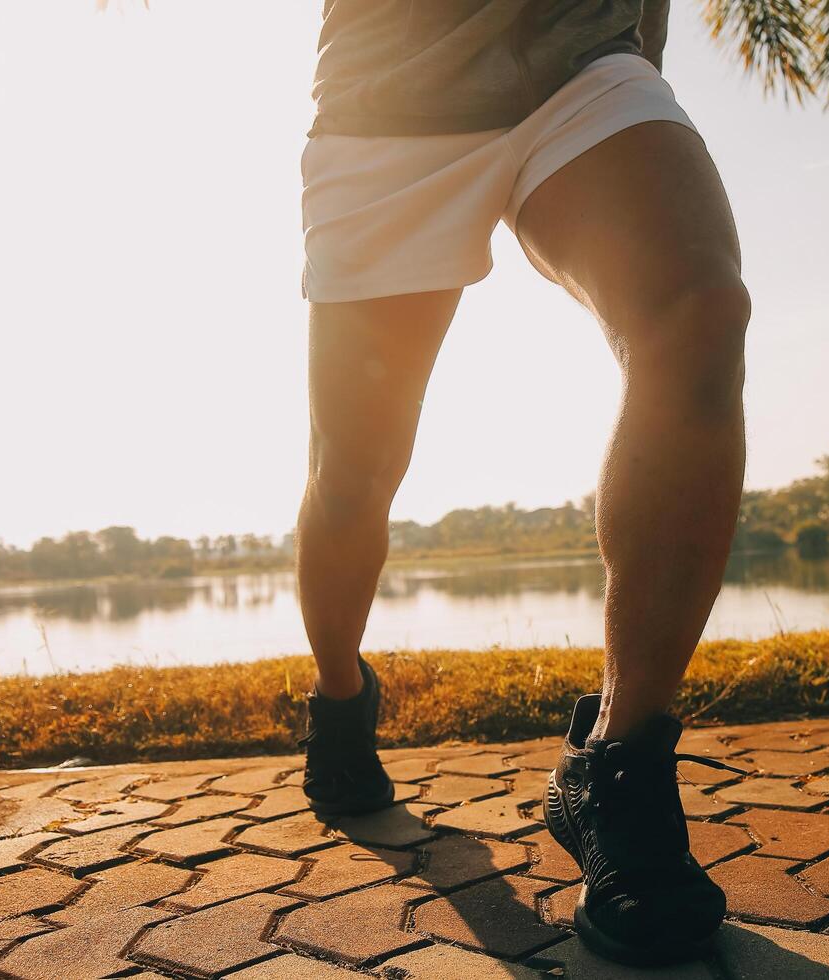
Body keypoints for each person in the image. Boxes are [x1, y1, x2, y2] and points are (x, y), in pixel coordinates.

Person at [294, 1, 750, 966]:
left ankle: (618, 771)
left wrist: (639, 45)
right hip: (388, 99)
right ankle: (340, 702)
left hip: (580, 62)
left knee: (699, 311)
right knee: (355, 471)